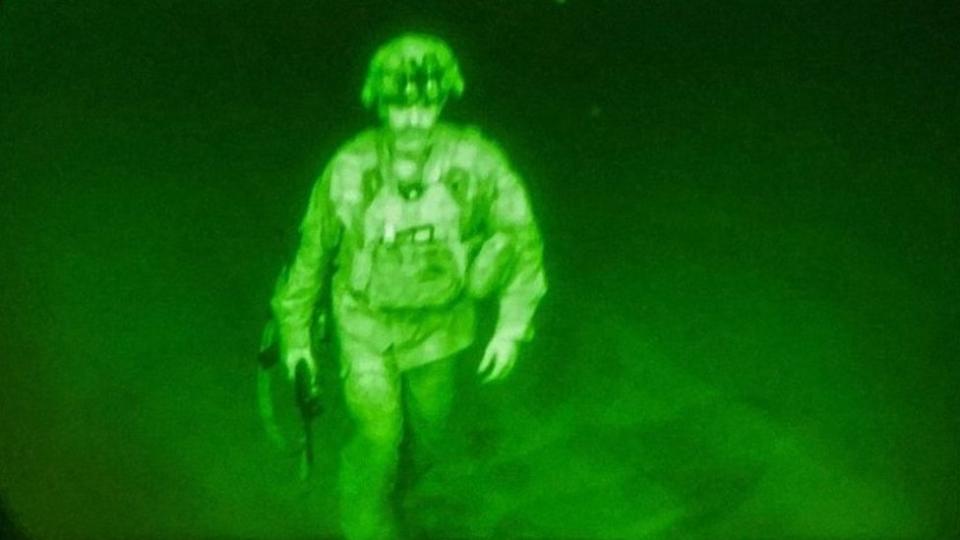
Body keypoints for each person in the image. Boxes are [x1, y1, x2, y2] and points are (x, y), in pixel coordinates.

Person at [271, 32, 547, 540]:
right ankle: (367, 525)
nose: (415, 120)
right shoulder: (349, 168)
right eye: (401, 107)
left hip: (442, 331)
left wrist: (511, 326)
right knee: (378, 436)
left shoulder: (477, 162)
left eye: (426, 104)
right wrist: (296, 341)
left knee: (429, 435)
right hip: (365, 325)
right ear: (381, 106)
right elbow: (312, 254)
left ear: (443, 100)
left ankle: (402, 493)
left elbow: (520, 239)